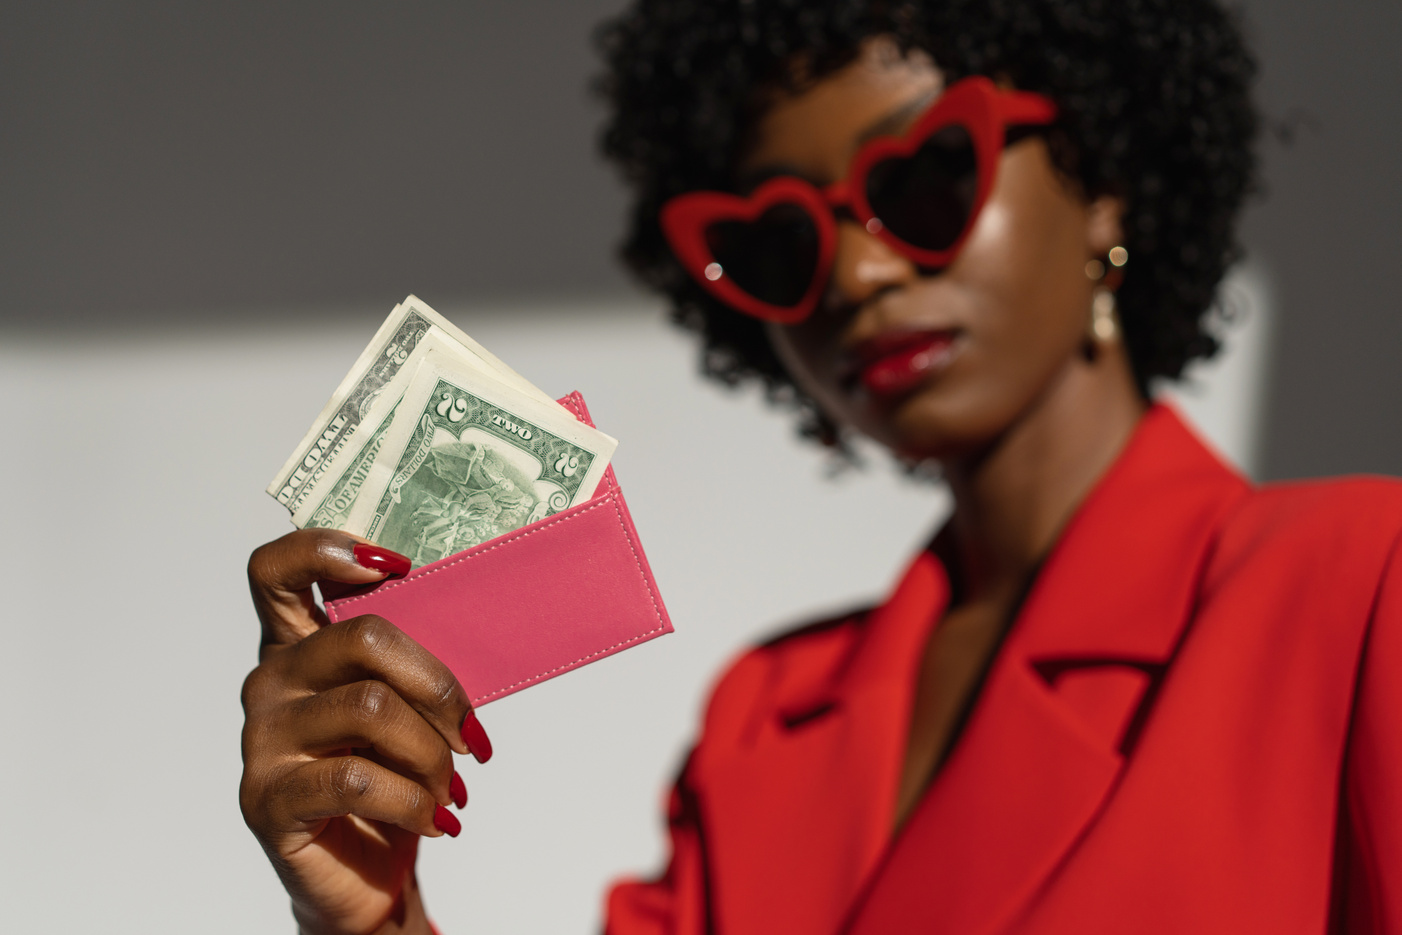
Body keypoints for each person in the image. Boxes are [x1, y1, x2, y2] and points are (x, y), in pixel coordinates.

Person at [240, 1, 1402, 932]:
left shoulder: (1358, 589)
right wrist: (373, 921)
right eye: (775, 240)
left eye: (924, 177)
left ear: (1102, 174)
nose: (854, 272)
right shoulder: (766, 718)